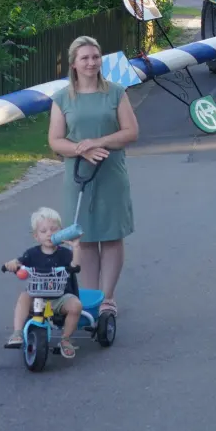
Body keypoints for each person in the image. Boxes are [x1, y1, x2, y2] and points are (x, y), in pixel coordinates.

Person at [47, 36, 139, 318]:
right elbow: (55, 140)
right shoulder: (62, 98)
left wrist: (98, 142)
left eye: (96, 57)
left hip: (111, 174)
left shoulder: (116, 92)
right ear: (74, 63)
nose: (91, 63)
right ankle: (89, 298)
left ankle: (108, 297)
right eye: (85, 58)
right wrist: (79, 149)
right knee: (83, 238)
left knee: (111, 236)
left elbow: (130, 132)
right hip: (78, 176)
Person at [2, 208, 85, 357]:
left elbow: (75, 266)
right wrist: (12, 264)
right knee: (24, 297)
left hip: (60, 296)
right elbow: (20, 262)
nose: (49, 233)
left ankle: (65, 339)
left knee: (76, 305)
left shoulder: (65, 253)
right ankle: (17, 333)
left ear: (61, 232)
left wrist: (76, 247)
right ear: (36, 236)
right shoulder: (32, 254)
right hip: (38, 297)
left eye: (54, 229)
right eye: (43, 231)